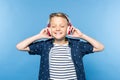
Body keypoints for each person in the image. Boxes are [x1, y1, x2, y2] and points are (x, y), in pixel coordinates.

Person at [16, 12, 104, 80]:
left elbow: (100, 47)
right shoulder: (44, 46)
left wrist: (82, 36)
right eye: (53, 26)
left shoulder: (77, 45)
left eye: (62, 26)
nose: (57, 29)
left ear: (69, 29)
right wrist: (39, 36)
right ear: (49, 29)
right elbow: (20, 46)